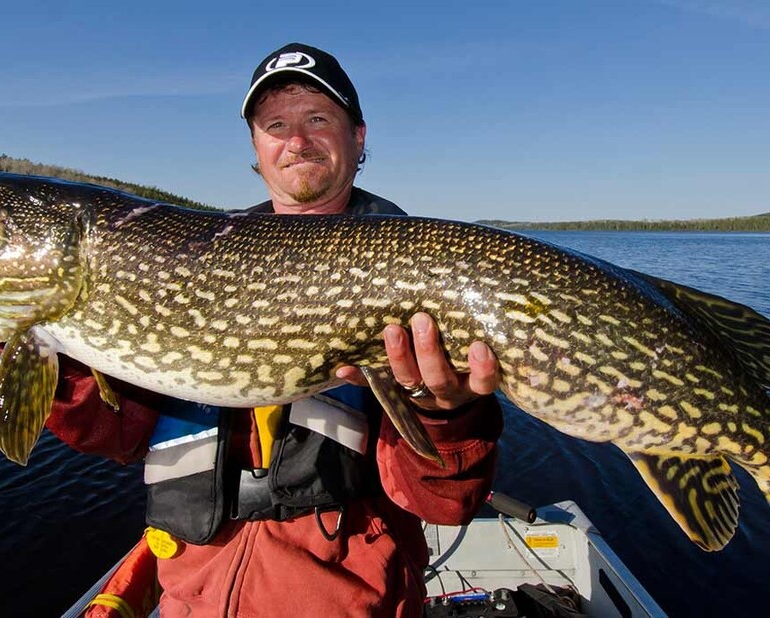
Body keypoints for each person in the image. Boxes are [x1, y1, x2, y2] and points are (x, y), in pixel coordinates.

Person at [48, 43, 504, 617]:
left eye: (318, 119)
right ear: (256, 148)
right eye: (276, 125)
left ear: (358, 137)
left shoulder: (411, 273)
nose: (297, 140)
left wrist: (446, 413)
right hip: (194, 597)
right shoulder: (198, 266)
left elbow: (442, 503)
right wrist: (36, 337)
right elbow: (117, 433)